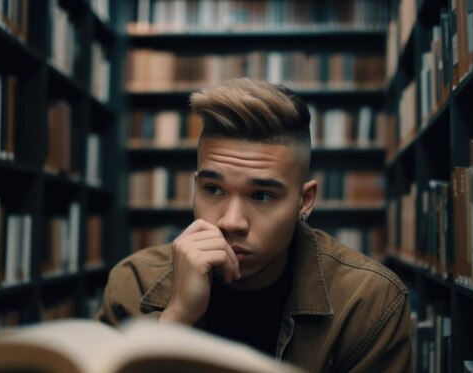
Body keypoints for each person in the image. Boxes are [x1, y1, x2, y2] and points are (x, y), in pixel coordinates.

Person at [97, 78, 412, 372]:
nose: (230, 222)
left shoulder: (367, 302)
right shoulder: (132, 283)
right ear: (195, 187)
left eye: (261, 195)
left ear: (304, 201)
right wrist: (175, 317)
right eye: (213, 190)